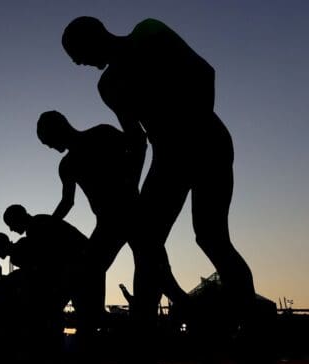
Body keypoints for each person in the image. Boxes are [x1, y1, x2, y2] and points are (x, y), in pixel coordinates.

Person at [61, 17, 255, 327]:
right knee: (148, 245)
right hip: (168, 157)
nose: (81, 63)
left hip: (208, 142)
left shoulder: (149, 32)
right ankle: (142, 357)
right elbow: (136, 139)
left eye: (78, 54)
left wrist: (193, 132)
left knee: (212, 238)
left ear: (93, 36)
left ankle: (255, 333)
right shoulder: (108, 86)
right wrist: (132, 188)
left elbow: (204, 73)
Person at [30, 111, 188, 326]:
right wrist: (50, 224)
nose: (48, 147)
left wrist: (131, 182)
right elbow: (67, 202)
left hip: (131, 215)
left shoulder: (100, 135)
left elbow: (139, 143)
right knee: (90, 272)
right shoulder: (67, 165)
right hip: (109, 223)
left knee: (161, 277)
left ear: (56, 129)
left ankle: (201, 324)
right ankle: (98, 326)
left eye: (47, 141)